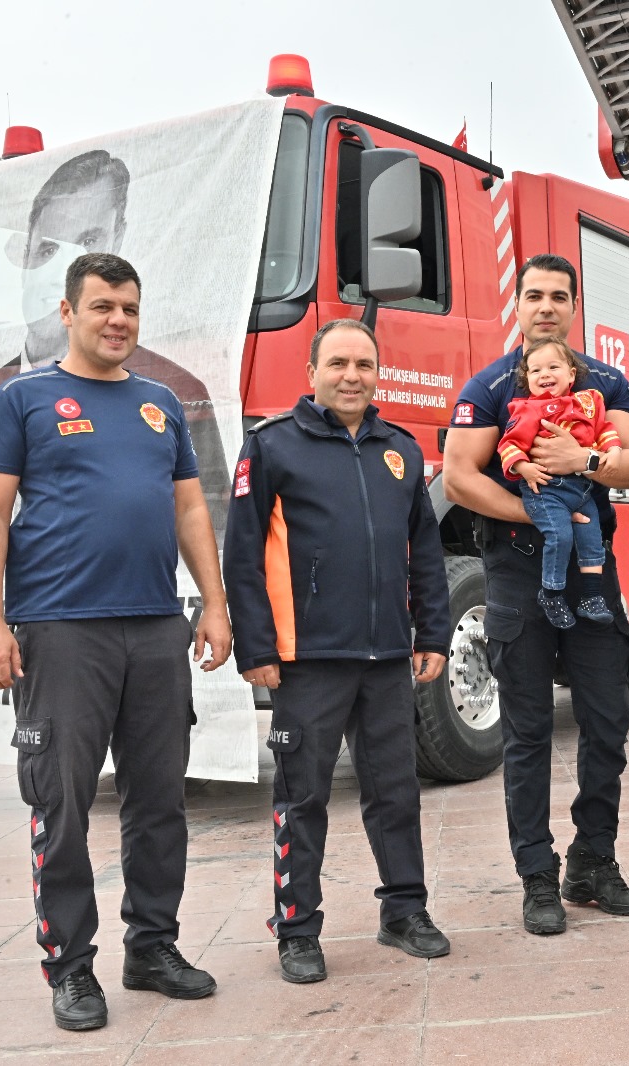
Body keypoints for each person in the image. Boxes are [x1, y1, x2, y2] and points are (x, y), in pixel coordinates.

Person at [0, 252, 232, 1031]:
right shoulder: (21, 401)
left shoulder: (161, 404)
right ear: (68, 312)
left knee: (160, 801)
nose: (118, 321)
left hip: (154, 626)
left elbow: (190, 510)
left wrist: (214, 605)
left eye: (130, 309)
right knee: (62, 803)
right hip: (60, 630)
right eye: (103, 306)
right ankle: (71, 968)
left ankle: (152, 947)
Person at [223, 318, 453, 985]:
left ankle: (404, 911)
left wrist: (432, 633)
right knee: (303, 797)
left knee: (396, 792)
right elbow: (241, 555)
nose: (352, 376)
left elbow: (425, 552)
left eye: (364, 365)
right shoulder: (271, 446)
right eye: (338, 364)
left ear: (378, 374)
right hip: (306, 660)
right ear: (312, 374)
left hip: (386, 658)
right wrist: (256, 647)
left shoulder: (400, 450)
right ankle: (297, 928)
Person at [443, 253, 629, 936]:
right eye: (534, 295)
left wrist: (583, 462)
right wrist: (538, 514)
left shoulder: (606, 384)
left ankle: (593, 862)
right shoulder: (490, 385)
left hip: (590, 576)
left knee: (608, 723)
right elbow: (459, 476)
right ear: (519, 304)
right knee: (528, 733)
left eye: (559, 296)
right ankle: (537, 875)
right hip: (516, 575)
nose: (546, 308)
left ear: (574, 305)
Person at [0, 149, 229, 586]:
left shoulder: (178, 393)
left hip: (154, 611)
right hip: (53, 614)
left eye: (88, 242)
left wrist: (215, 604)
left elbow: (202, 517)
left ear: (118, 237)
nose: (63, 267)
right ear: (25, 256)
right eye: (48, 248)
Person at [498, 337, 624, 629]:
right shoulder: (527, 410)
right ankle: (551, 594)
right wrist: (524, 468)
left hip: (582, 490)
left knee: (592, 539)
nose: (545, 374)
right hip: (545, 491)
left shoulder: (588, 403)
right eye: (536, 370)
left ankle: (591, 597)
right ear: (527, 380)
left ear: (571, 374)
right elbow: (509, 445)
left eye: (553, 367)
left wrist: (614, 450)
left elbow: (604, 429)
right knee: (561, 536)